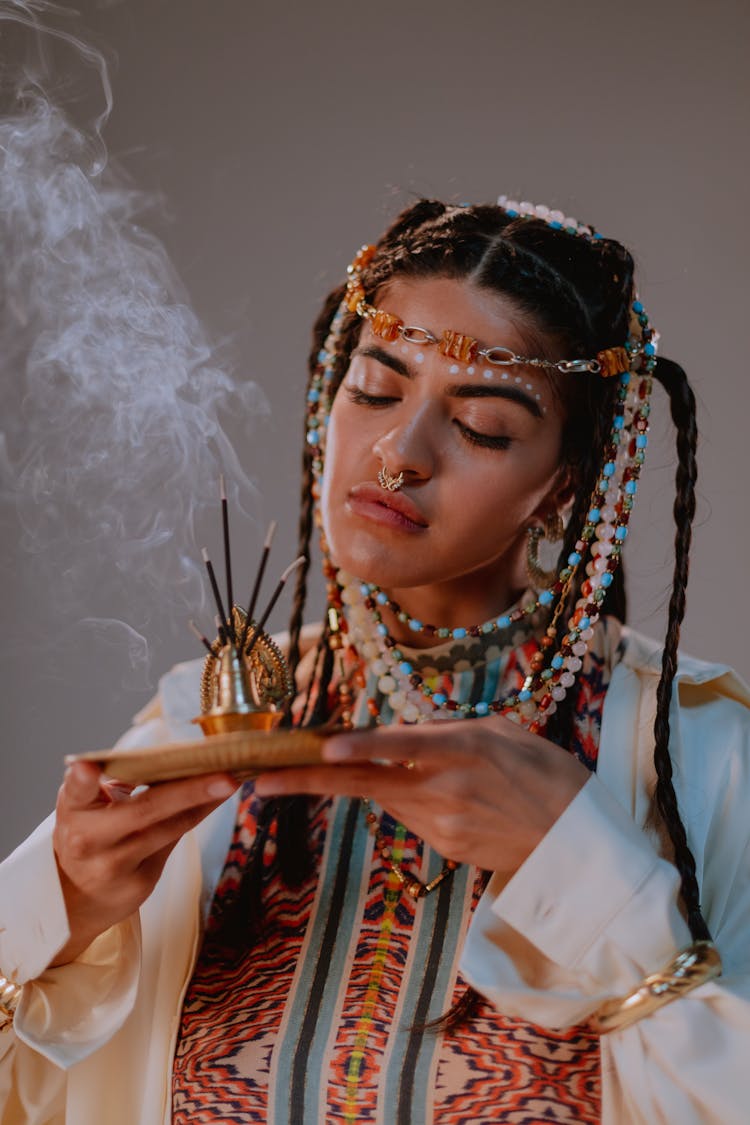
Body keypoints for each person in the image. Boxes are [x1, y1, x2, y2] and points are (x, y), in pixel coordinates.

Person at [1, 196, 749, 1124]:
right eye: (376, 389)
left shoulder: (698, 757)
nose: (399, 454)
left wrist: (585, 866)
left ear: (563, 485)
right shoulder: (203, 724)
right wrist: (62, 907)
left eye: (481, 425)